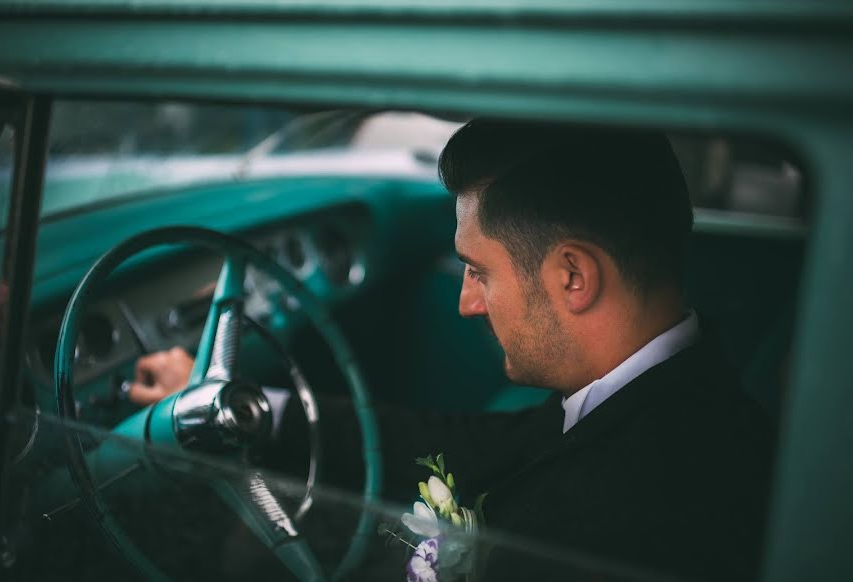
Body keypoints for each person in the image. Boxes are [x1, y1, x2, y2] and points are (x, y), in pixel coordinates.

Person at [129, 119, 774, 581]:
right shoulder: (671, 397)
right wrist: (261, 412)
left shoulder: (614, 531)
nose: (467, 302)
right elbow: (470, 443)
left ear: (572, 277)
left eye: (479, 271)